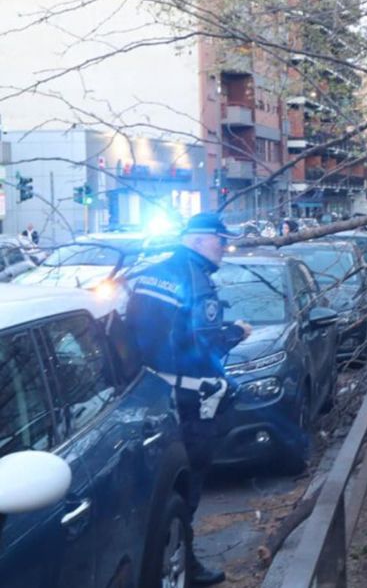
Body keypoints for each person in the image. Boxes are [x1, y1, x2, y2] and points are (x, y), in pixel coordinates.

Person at [124, 213, 250, 586]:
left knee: (163, 489)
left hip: (152, 394)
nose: (224, 247)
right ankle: (184, 564)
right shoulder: (195, 280)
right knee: (188, 485)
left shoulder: (151, 273)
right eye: (220, 240)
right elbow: (202, 346)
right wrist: (235, 332)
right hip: (188, 401)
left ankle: (180, 559)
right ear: (198, 240)